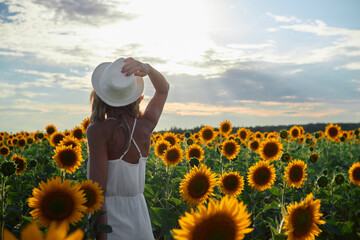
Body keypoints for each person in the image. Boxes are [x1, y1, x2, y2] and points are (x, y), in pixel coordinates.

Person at [86, 57, 169, 240]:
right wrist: (148, 69)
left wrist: (101, 236)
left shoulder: (98, 131)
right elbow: (163, 90)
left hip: (110, 222)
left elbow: (98, 192)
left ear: (101, 95)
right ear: (134, 95)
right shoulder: (145, 125)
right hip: (139, 217)